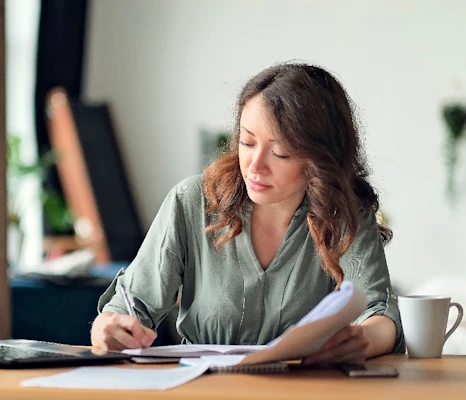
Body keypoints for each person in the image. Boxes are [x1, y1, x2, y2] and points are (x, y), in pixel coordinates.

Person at [91, 62, 405, 364]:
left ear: (320, 159)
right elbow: (129, 305)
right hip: (203, 390)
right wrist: (108, 327)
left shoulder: (345, 215)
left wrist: (362, 339)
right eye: (247, 141)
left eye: (280, 152)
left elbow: (378, 312)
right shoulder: (192, 202)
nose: (254, 166)